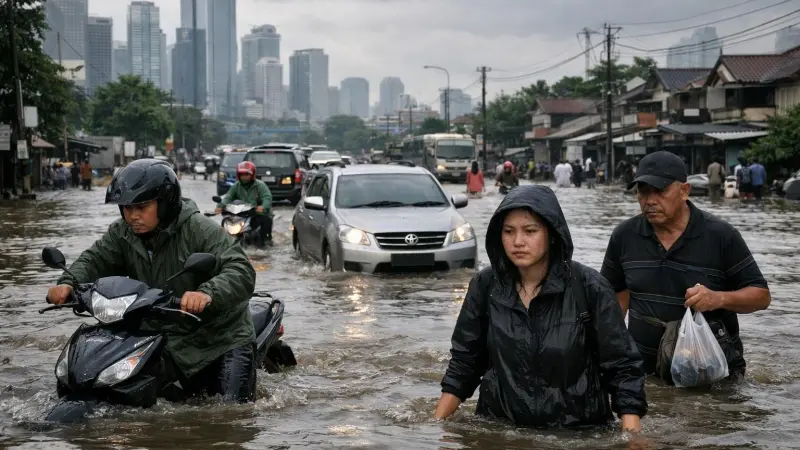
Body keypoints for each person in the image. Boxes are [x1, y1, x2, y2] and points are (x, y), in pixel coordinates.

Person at [435, 184, 647, 431]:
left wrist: (631, 438)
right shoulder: (485, 287)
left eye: (530, 231)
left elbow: (622, 367)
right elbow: (464, 363)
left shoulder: (590, 288)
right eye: (508, 231)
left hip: (579, 433)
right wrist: (436, 427)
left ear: (552, 234)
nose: (517, 241)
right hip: (499, 431)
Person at [46, 159, 258, 403]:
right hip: (165, 333)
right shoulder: (122, 232)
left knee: (232, 415)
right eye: (126, 207)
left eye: (141, 206)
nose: (132, 216)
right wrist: (68, 282)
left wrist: (207, 293)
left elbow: (241, 269)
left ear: (165, 203)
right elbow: (95, 259)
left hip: (220, 337)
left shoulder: (199, 229)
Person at [601, 151, 771, 383]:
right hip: (646, 374)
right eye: (642, 191)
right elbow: (615, 299)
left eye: (660, 191)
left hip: (711, 374)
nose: (649, 201)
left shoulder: (720, 236)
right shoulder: (624, 236)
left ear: (684, 191)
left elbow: (761, 297)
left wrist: (718, 298)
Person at [215, 161, 273, 246]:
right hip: (240, 214)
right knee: (226, 223)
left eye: (247, 174)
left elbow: (267, 197)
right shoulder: (236, 186)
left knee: (265, 221)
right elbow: (228, 197)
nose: (244, 177)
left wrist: (263, 206)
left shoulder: (260, 185)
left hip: (257, 213)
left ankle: (266, 242)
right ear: (238, 175)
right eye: (242, 175)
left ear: (252, 175)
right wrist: (220, 206)